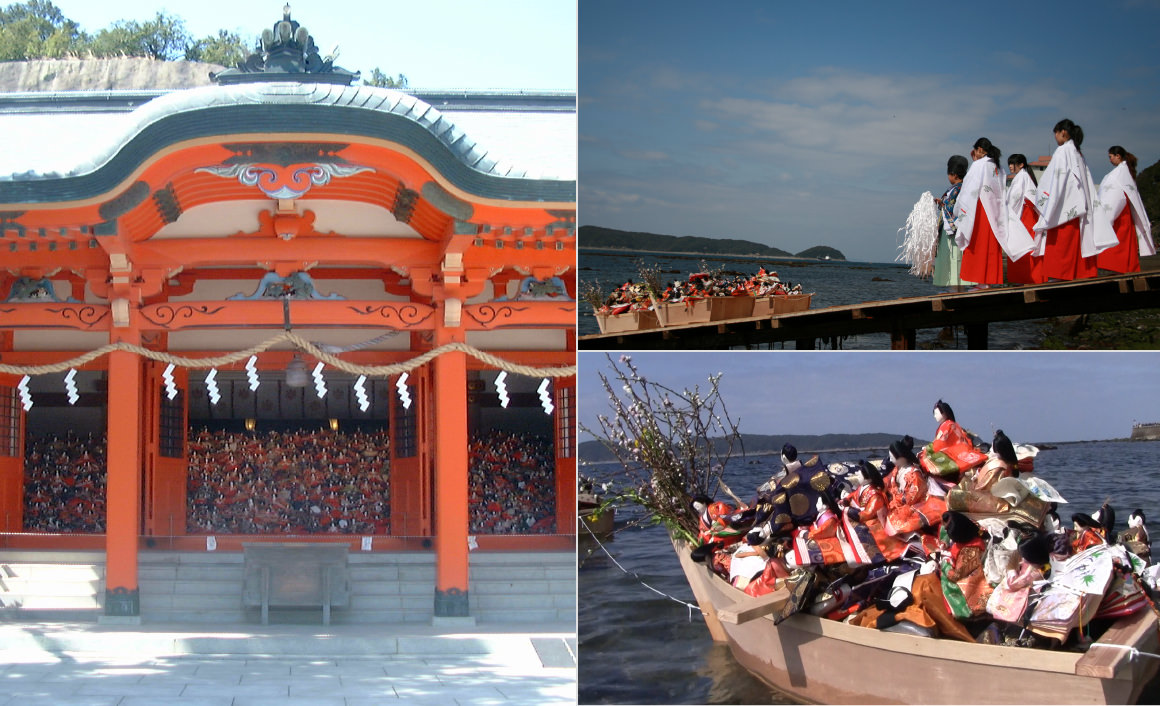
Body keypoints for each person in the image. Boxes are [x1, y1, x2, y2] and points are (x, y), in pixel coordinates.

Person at [1032, 119, 1117, 280]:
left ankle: (1060, 276)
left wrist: (1050, 207)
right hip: (1078, 207)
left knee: (1061, 245)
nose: (1055, 138)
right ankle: (1078, 275)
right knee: (1077, 244)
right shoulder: (1078, 153)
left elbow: (1056, 181)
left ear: (1062, 132)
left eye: (1056, 134)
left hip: (1063, 207)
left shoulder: (1063, 151)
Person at [956, 138, 1035, 287]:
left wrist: (959, 209)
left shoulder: (979, 165)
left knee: (977, 245)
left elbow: (968, 188)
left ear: (979, 150)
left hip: (980, 209)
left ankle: (980, 281)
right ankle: (987, 281)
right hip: (995, 211)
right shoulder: (998, 167)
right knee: (991, 247)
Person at [1094, 146, 1156, 273]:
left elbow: (1111, 195)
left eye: (1110, 157)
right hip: (1125, 213)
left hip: (1119, 213)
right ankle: (1126, 267)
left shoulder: (1118, 174)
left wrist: (1105, 217)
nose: (1110, 160)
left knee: (1116, 241)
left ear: (1118, 156)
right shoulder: (1125, 172)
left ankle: (1114, 266)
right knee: (1125, 242)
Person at [932, 155, 974, 291]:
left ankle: (957, 288)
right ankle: (956, 287)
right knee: (953, 258)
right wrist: (942, 203)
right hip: (950, 229)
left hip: (954, 230)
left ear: (954, 174)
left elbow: (955, 206)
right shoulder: (958, 188)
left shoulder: (959, 189)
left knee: (955, 257)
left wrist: (943, 203)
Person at [1005, 154, 1044, 284]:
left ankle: (1025, 278)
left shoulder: (1021, 177)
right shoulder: (1024, 177)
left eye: (1013, 163)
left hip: (1024, 217)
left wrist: (1006, 213)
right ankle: (1031, 277)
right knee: (1030, 247)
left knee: (1023, 246)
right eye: (1009, 163)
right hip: (1027, 215)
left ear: (1021, 165)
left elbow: (1014, 199)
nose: (1010, 166)